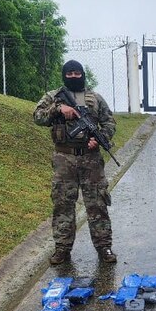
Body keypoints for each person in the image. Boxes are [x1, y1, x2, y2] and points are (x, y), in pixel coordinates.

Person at [34, 60, 118, 265]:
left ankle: (104, 247)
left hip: (91, 160)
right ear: (64, 75)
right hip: (64, 158)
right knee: (63, 203)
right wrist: (58, 109)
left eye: (77, 73)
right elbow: (37, 117)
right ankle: (62, 249)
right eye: (69, 73)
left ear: (82, 74)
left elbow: (109, 122)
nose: (73, 76)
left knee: (97, 203)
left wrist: (98, 138)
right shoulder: (53, 97)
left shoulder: (95, 98)